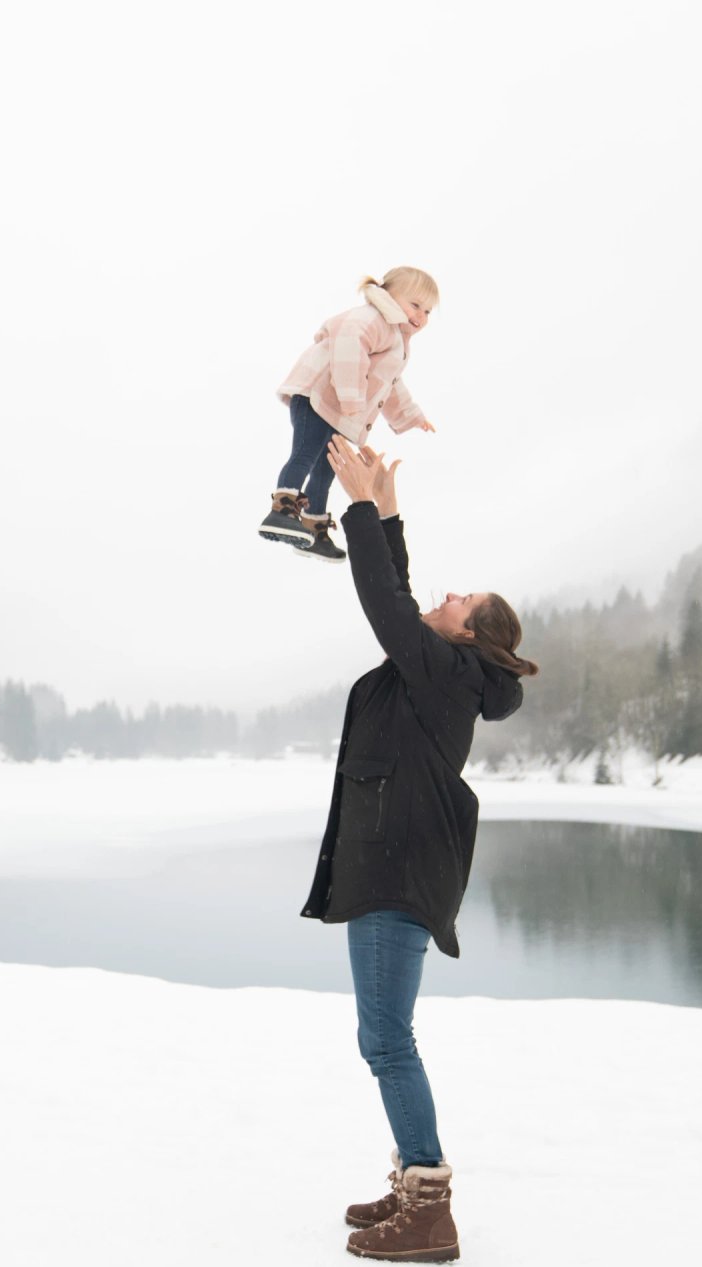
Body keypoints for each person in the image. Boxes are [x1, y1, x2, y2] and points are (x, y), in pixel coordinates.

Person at [299, 435, 538, 1262]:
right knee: (383, 1035)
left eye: (461, 597)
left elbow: (386, 602)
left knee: (387, 1039)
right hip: (394, 861)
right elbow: (400, 595)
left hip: (399, 867)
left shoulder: (445, 673)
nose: (447, 593)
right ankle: (412, 1185)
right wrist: (388, 508)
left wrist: (362, 506)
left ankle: (429, 1207)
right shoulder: (446, 669)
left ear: (469, 634)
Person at [260, 268, 440, 562]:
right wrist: (352, 398)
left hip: (338, 407)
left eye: (428, 311)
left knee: (326, 467)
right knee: (306, 452)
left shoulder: (397, 340)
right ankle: (282, 509)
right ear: (389, 295)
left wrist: (411, 415)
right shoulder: (372, 319)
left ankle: (312, 527)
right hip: (317, 395)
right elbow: (347, 349)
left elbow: (390, 385)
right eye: (415, 305)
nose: (421, 316)